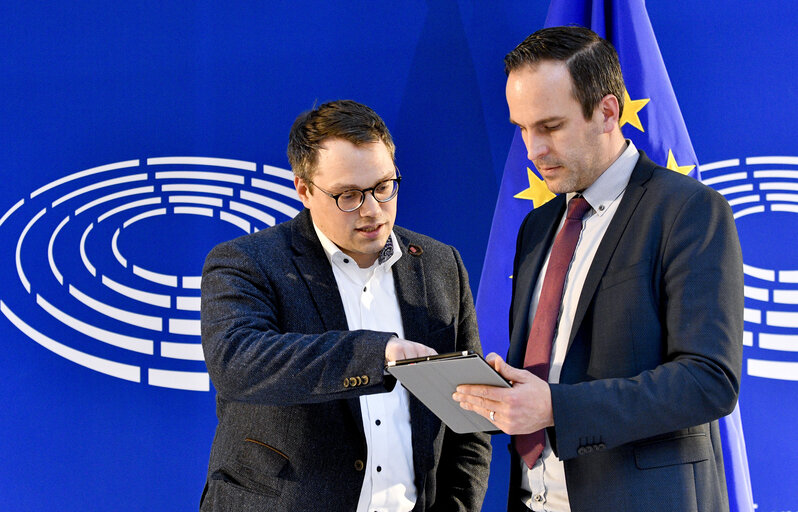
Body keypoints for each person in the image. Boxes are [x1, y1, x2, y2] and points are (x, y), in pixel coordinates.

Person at [453, 26, 743, 511]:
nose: (532, 149)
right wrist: (506, 390)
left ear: (608, 112)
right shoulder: (538, 227)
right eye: (521, 128)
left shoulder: (689, 210)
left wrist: (556, 407)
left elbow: (709, 381)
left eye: (549, 127)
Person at [199, 99, 491, 511]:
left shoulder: (441, 265)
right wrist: (378, 354)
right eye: (348, 195)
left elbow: (467, 423)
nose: (372, 210)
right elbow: (237, 362)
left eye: (384, 186)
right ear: (303, 189)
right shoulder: (248, 262)